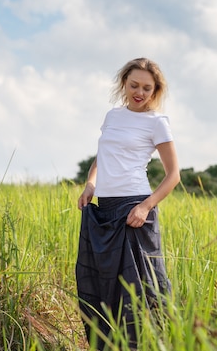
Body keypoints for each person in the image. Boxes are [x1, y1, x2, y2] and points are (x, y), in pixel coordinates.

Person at [75, 57, 180, 349]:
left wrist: (146, 206)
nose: (140, 92)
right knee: (100, 285)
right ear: (124, 84)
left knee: (140, 290)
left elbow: (174, 176)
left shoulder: (157, 122)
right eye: (134, 85)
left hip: (134, 209)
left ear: (155, 90)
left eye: (147, 88)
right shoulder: (112, 117)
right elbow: (102, 156)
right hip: (104, 210)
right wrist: (90, 184)